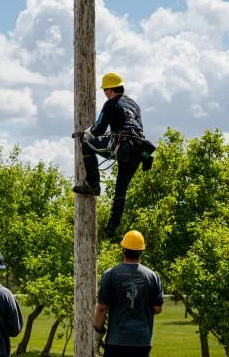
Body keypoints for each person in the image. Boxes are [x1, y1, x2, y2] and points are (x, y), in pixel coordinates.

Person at [73, 72, 155, 238]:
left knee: (87, 145)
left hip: (121, 145)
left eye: (105, 91)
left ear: (110, 90)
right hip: (137, 150)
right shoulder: (134, 104)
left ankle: (92, 185)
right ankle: (112, 227)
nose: (105, 93)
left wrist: (85, 134)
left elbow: (98, 130)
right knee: (121, 190)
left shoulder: (111, 103)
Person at [93, 230, 164, 357]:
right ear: (141, 251)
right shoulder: (152, 276)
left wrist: (97, 335)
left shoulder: (110, 275)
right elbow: (158, 308)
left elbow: (101, 308)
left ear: (123, 249)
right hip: (142, 341)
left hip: (116, 341)